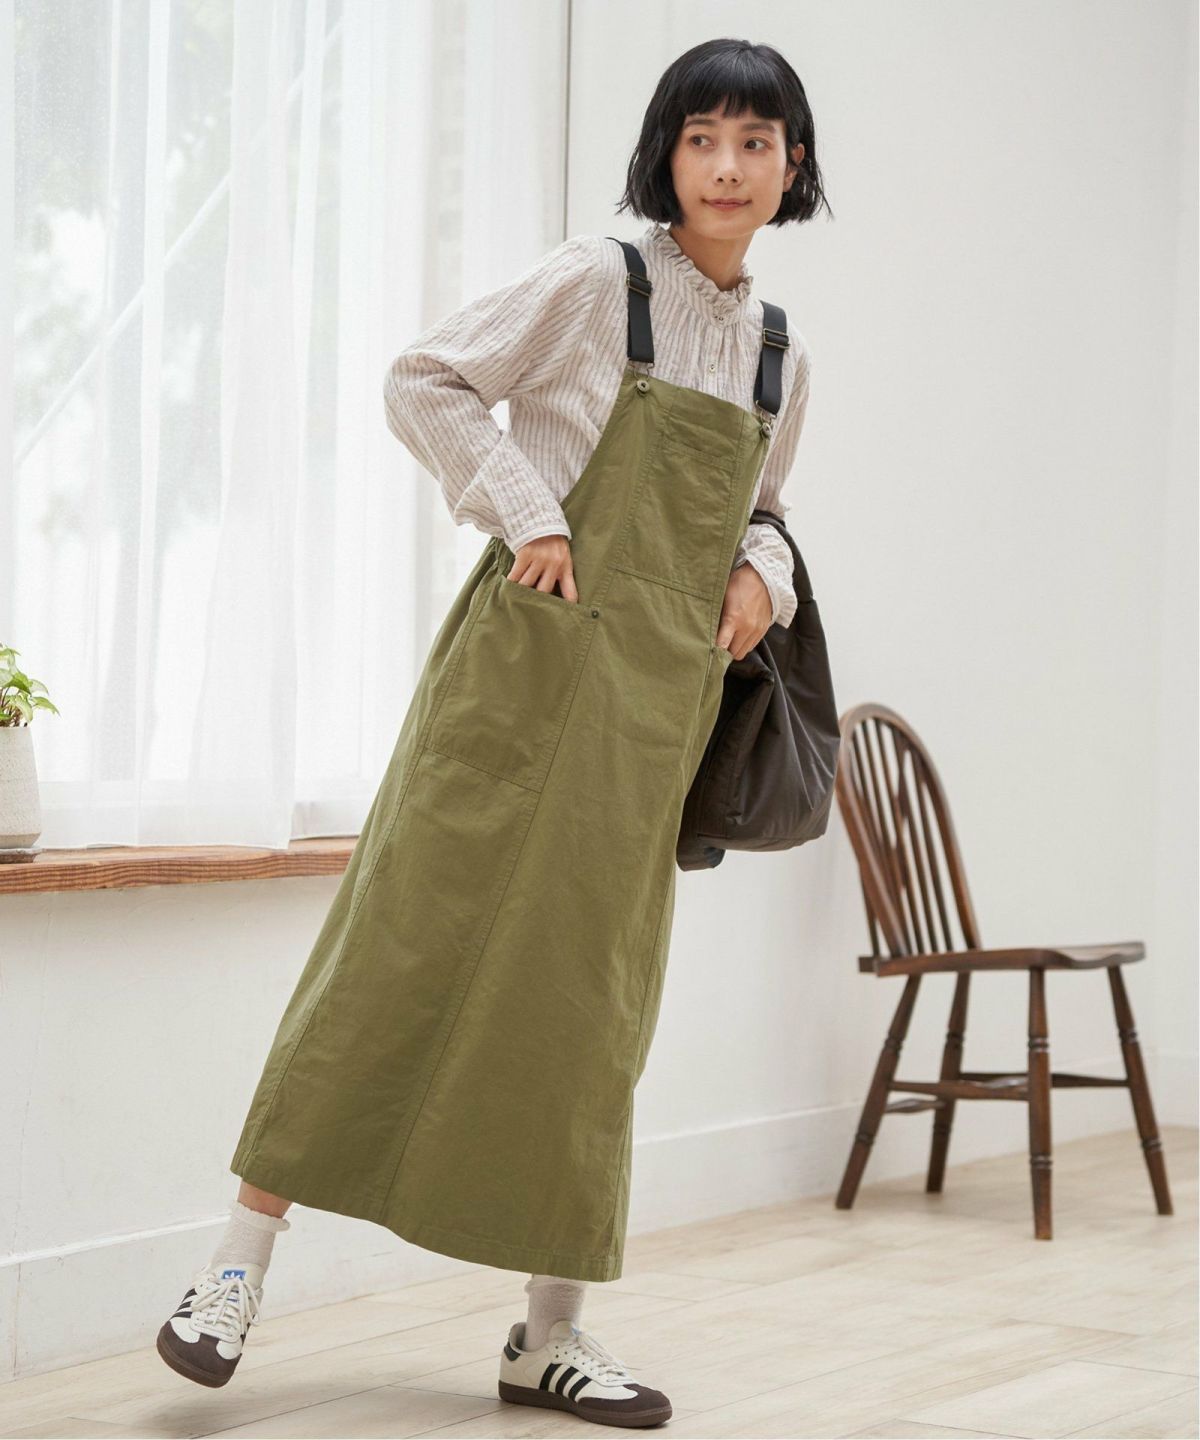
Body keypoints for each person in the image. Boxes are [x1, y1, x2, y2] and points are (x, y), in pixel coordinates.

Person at [156, 35, 828, 1431]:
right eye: (703, 137)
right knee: (393, 949)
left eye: (755, 143)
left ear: (792, 167)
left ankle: (547, 1337)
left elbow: (765, 508)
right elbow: (426, 379)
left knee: (592, 1010)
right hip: (517, 676)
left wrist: (766, 575)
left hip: (650, 714)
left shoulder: (780, 353)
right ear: (666, 153)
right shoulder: (596, 282)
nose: (727, 166)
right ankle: (232, 1271)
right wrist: (530, 511)